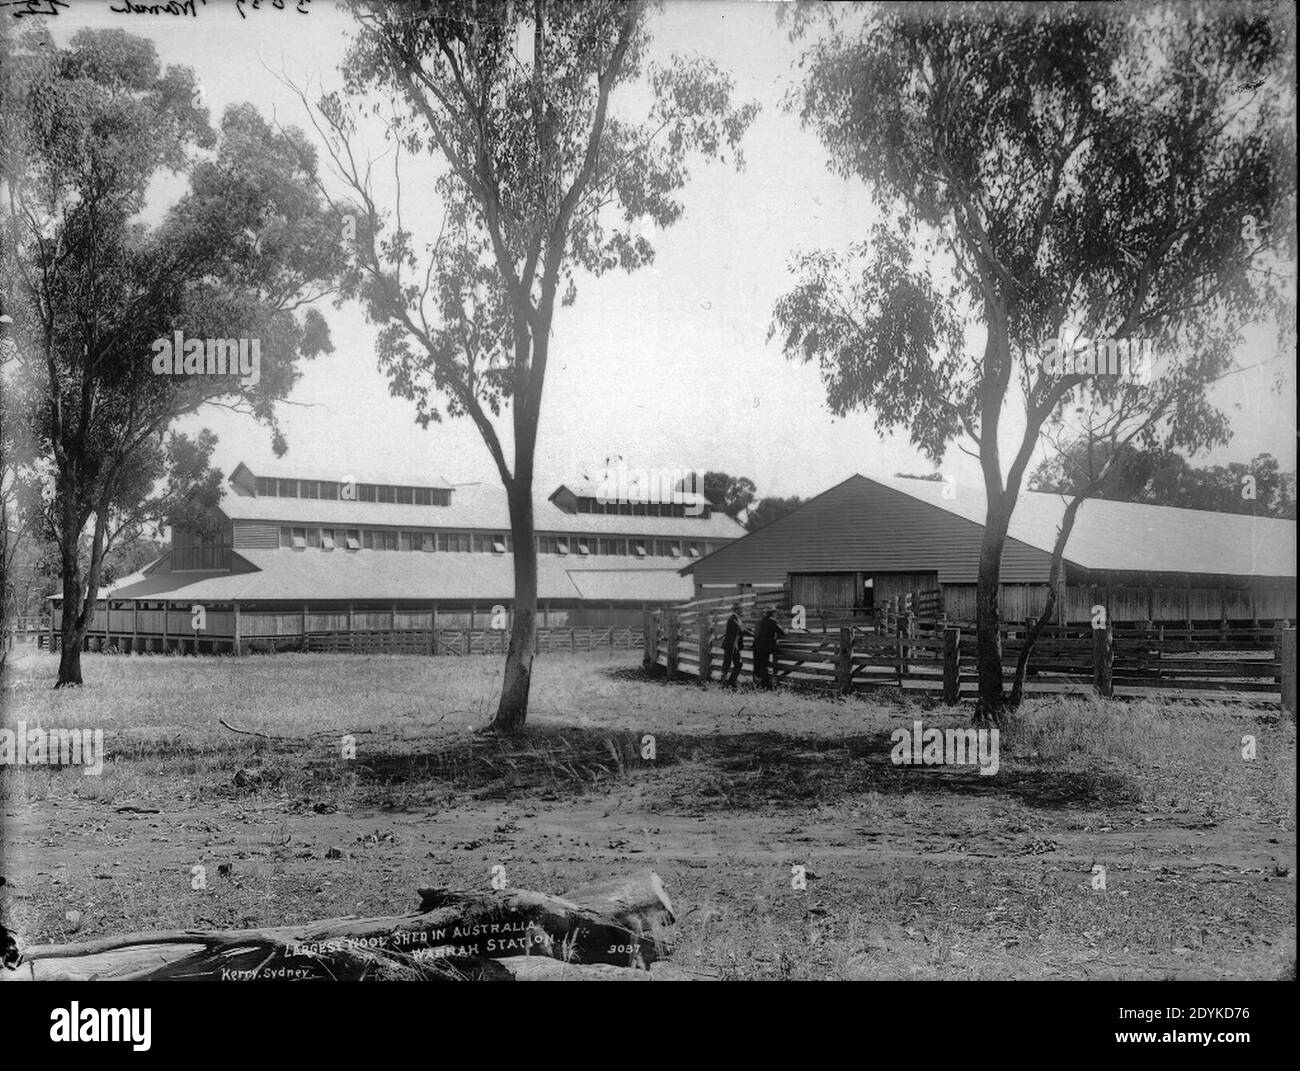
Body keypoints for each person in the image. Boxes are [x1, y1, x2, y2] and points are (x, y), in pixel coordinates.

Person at [752, 607, 786, 690]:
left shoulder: (761, 620)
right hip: (764, 647)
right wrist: (787, 631)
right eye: (775, 612)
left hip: (756, 646)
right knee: (764, 666)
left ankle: (757, 684)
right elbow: (782, 632)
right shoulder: (772, 621)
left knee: (757, 666)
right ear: (772, 613)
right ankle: (765, 686)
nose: (776, 614)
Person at [720, 603, 751, 688]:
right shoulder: (732, 619)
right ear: (737, 610)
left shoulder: (737, 618)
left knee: (738, 664)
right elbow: (741, 629)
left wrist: (750, 631)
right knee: (727, 664)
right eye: (741, 609)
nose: (742, 611)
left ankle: (731, 681)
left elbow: (742, 627)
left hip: (735, 646)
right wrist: (752, 634)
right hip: (730, 645)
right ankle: (723, 683)